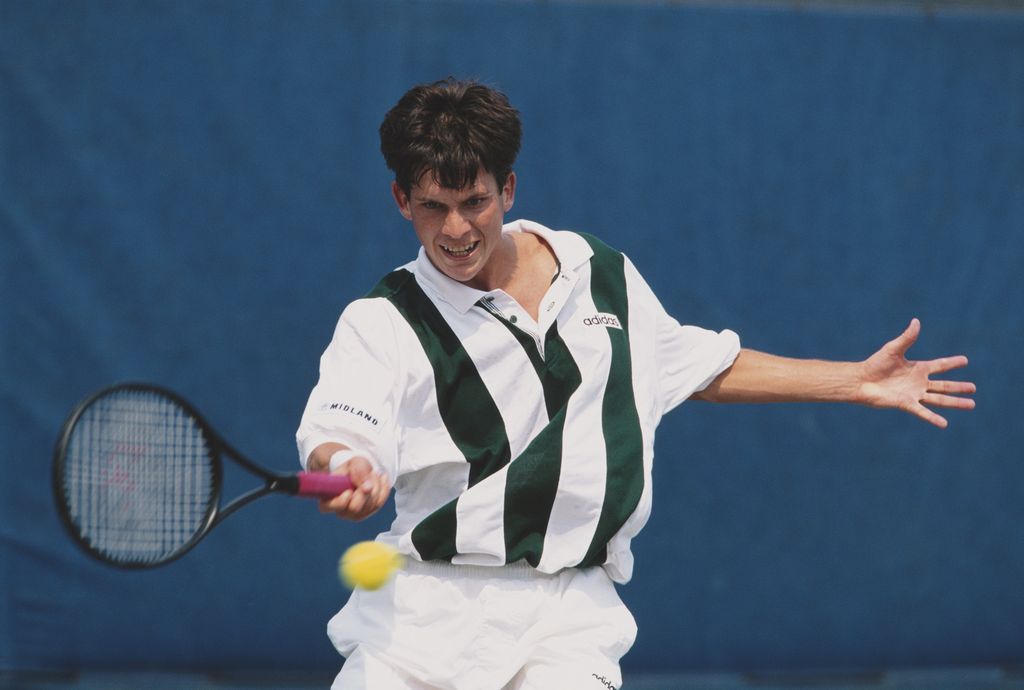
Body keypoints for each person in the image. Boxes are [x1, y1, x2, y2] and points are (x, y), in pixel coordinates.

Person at [296, 78, 975, 690]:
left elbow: (694, 364)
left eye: (474, 201)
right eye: (431, 206)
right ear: (399, 199)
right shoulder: (382, 321)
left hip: (566, 616)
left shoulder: (601, 273)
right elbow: (342, 430)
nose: (455, 229)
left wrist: (854, 382)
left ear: (508, 187)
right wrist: (346, 468)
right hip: (417, 621)